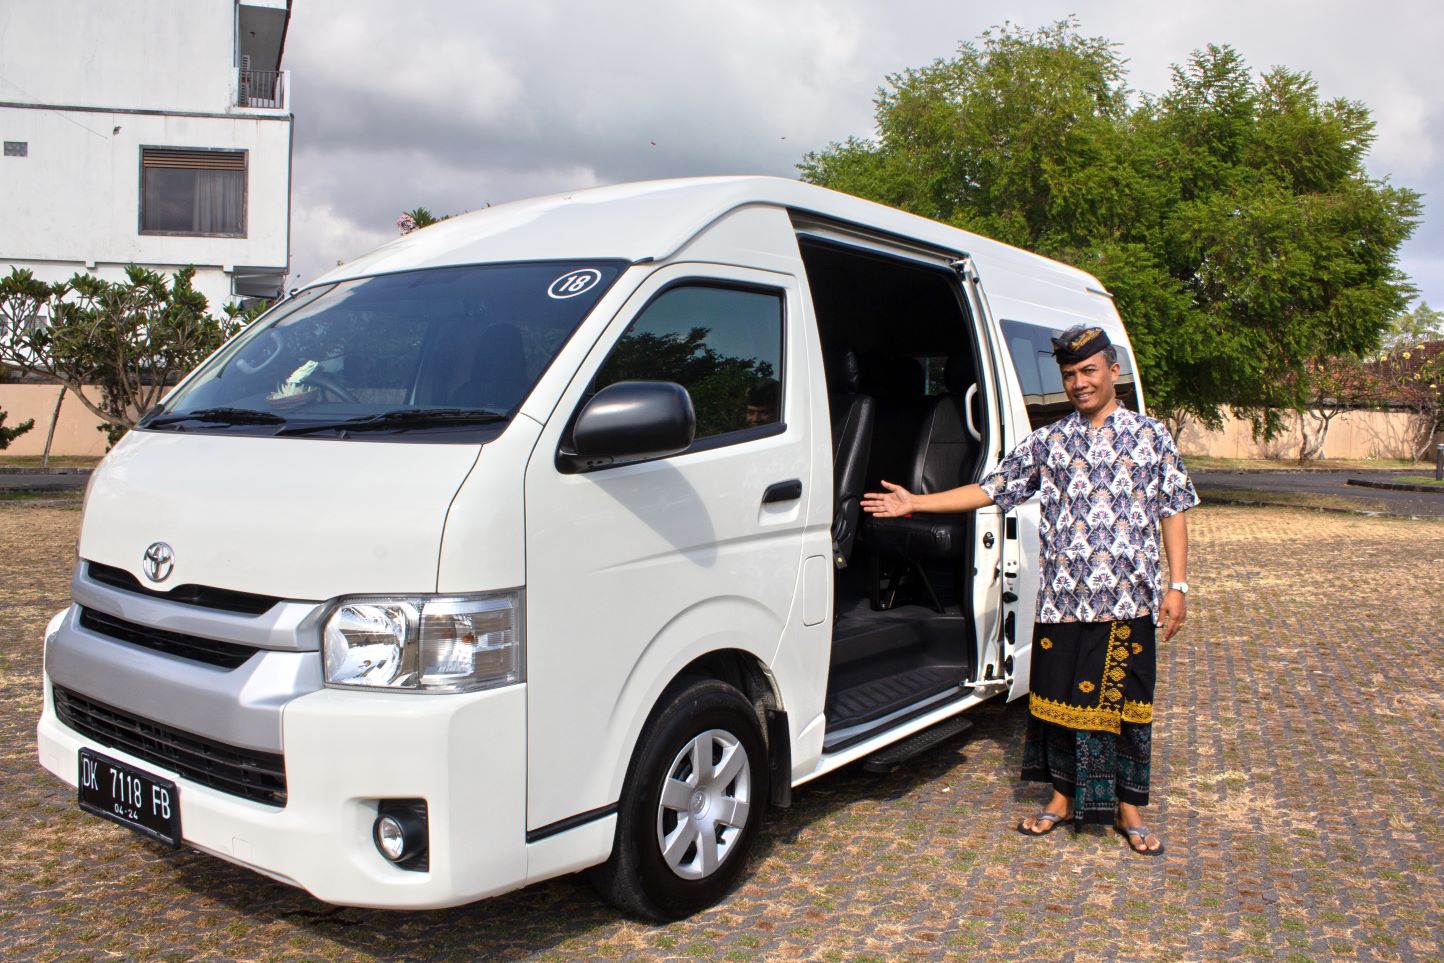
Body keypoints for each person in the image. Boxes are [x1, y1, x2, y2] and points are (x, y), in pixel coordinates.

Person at [860, 324, 1198, 855]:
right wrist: (915, 503)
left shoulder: (1150, 436)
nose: (1079, 383)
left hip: (1127, 601)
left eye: (1089, 371)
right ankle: (1062, 799)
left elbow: (1172, 511)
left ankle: (1127, 808)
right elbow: (989, 489)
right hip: (1062, 601)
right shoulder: (1049, 441)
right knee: (1057, 703)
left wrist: (1177, 585)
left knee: (1127, 705)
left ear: (1113, 371)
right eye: (1069, 375)